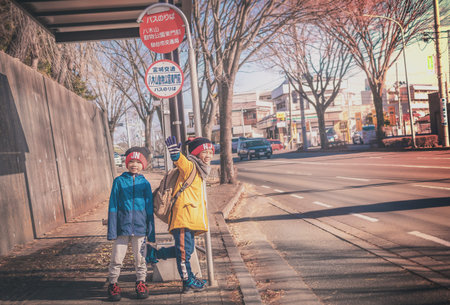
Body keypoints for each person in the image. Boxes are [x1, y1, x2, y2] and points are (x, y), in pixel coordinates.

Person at [165, 136, 214, 294]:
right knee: (184, 252)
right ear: (196, 153)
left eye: (210, 152)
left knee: (187, 250)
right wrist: (175, 154)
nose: (208, 155)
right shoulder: (192, 166)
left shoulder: (200, 171)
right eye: (204, 152)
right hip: (183, 218)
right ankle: (187, 282)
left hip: (190, 218)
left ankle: (153, 254)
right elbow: (182, 162)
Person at [106, 147, 155, 301]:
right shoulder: (119, 181)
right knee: (117, 258)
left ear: (143, 165)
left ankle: (141, 282)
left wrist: (151, 231)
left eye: (138, 162)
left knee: (140, 259)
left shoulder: (145, 183)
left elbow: (149, 208)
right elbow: (113, 205)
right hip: (122, 227)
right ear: (127, 163)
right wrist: (112, 230)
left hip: (140, 228)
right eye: (131, 161)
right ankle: (113, 283)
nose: (134, 164)